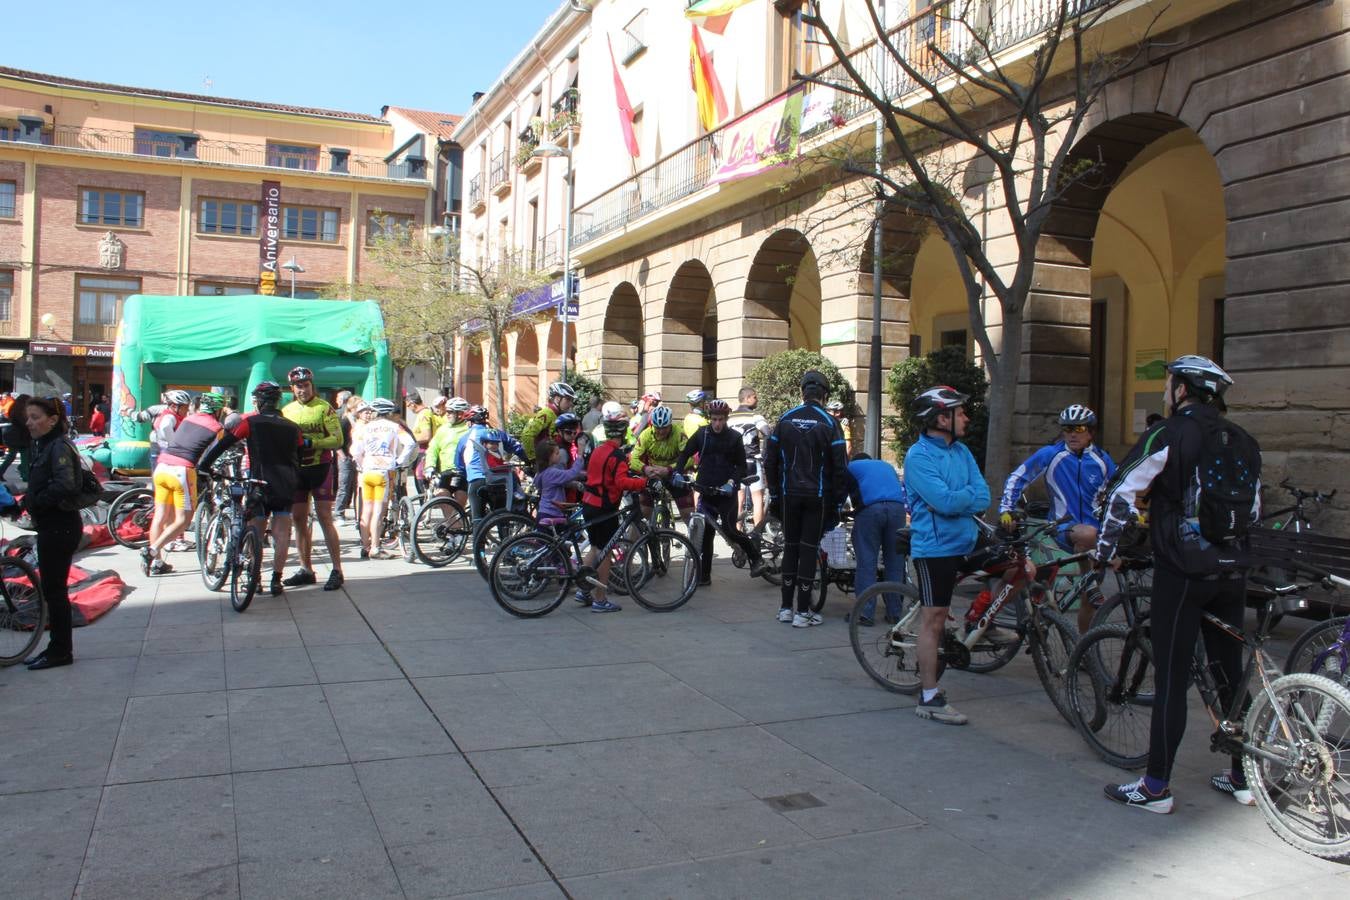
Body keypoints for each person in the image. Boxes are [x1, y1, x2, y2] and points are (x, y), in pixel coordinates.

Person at [1099, 355, 1259, 814]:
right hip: (1232, 571)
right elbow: (1250, 511)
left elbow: (1120, 491)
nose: (1168, 391)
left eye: (1170, 384)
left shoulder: (1169, 433)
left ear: (1183, 390)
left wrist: (1105, 552)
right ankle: (1242, 778)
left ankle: (1155, 788)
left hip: (1182, 571)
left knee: (1170, 676)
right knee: (1229, 671)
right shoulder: (1245, 440)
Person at [904, 385, 991, 725]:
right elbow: (944, 502)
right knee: (934, 618)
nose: (966, 418)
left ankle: (985, 623)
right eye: (960, 412)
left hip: (967, 541)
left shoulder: (963, 451)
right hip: (935, 548)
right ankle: (929, 697)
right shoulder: (919, 456)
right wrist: (963, 498)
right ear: (942, 418)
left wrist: (962, 497)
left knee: (1014, 567)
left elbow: (983, 496)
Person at [999, 404, 1116, 632]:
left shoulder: (1102, 460)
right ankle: (1089, 583)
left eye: (1079, 428)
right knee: (1087, 535)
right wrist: (1006, 509)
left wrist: (1132, 514)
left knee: (1088, 603)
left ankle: (1084, 649)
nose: (1072, 434)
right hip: (1063, 528)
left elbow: (1119, 491)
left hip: (1094, 537)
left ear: (1090, 432)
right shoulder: (1051, 455)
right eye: (1067, 428)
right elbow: (1017, 478)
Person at [199, 382, 304, 597]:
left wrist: (204, 466)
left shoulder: (251, 423)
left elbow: (225, 443)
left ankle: (254, 577)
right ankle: (277, 579)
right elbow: (300, 454)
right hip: (286, 484)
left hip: (259, 482)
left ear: (259, 401)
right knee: (282, 531)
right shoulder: (293, 427)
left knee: (255, 527)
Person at [763, 371, 849, 627]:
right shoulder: (830, 423)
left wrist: (776, 494)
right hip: (817, 496)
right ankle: (803, 611)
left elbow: (770, 461)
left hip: (789, 495)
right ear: (824, 395)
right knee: (808, 550)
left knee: (790, 547)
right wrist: (837, 502)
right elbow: (840, 467)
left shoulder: (785, 419)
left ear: (802, 392)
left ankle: (785, 608)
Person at [18, 397, 86, 670]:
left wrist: (36, 500)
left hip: (61, 526)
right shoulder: (45, 445)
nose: (29, 423)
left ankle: (60, 650)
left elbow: (66, 485)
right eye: (28, 417)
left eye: (35, 417)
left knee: (55, 591)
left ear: (53, 420)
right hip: (52, 525)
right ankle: (56, 648)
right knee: (52, 589)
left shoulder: (57, 446)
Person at [674, 399, 767, 586]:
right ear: (710, 418)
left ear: (726, 419)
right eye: (714, 419)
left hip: (726, 491)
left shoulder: (733, 437)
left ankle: (756, 559)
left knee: (730, 529)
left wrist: (731, 482)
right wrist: (677, 471)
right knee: (706, 534)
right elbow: (685, 454)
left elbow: (741, 466)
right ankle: (704, 576)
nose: (717, 423)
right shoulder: (702, 434)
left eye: (721, 420)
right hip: (705, 488)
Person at [142, 392, 227, 575]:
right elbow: (211, 455)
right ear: (217, 409)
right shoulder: (217, 427)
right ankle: (152, 550)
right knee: (183, 520)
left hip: (162, 467)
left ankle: (157, 563)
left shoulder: (189, 418)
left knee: (160, 516)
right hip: (182, 471)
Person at [280, 366, 345, 592]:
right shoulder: (286, 411)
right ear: (292, 388)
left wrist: (311, 443)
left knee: (325, 516)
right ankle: (305, 569)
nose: (303, 390)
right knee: (298, 518)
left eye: (306, 386)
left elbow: (338, 439)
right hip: (297, 470)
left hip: (321, 468)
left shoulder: (324, 408)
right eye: (298, 387)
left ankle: (337, 569)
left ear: (312, 385)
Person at [578, 406, 648, 612]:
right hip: (604, 509)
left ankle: (583, 589)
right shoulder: (616, 455)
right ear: (622, 432)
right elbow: (621, 482)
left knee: (595, 548)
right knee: (606, 554)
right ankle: (600, 600)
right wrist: (644, 483)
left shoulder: (599, 449)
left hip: (589, 503)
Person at [845, 452, 909, 626]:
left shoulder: (850, 467)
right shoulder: (886, 465)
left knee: (867, 562)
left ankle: (865, 614)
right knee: (895, 564)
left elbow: (840, 494)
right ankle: (894, 614)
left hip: (871, 510)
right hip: (897, 510)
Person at [351, 397, 418, 560]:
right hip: (385, 471)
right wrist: (399, 461)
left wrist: (361, 464)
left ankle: (365, 546)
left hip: (367, 471)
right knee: (379, 512)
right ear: (387, 412)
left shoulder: (365, 428)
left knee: (366, 510)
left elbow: (355, 451)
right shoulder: (395, 427)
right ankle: (375, 547)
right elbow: (410, 443)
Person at [456, 407, 525, 520]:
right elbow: (517, 447)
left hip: (475, 480)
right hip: (497, 480)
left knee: (477, 519)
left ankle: (478, 535)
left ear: (469, 422)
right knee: (501, 518)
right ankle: (506, 536)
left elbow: (459, 464)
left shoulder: (464, 438)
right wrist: (529, 460)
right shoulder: (496, 434)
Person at [629, 405, 694, 526]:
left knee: (688, 515)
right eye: (657, 428)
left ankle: (695, 544)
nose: (661, 431)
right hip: (653, 474)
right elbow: (633, 460)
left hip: (675, 473)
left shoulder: (679, 433)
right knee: (643, 513)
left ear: (670, 424)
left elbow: (690, 459)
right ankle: (636, 542)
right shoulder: (646, 435)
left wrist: (668, 469)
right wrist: (645, 468)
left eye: (664, 427)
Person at [727, 387, 771, 527]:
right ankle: (757, 534)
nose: (756, 400)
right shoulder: (755, 416)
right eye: (755, 397)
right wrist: (764, 454)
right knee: (757, 498)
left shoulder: (729, 418)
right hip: (753, 460)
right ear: (747, 398)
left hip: (735, 463)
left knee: (738, 499)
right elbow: (768, 433)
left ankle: (737, 534)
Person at [425, 398, 472, 505]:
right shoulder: (443, 429)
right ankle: (455, 522)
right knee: (441, 495)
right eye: (447, 411)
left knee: (460, 499)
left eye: (451, 412)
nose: (447, 415)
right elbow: (433, 448)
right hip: (445, 472)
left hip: (463, 471)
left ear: (460, 413)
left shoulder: (470, 429)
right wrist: (430, 466)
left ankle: (457, 520)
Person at [533, 438, 587, 530]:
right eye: (557, 453)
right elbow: (572, 473)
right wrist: (580, 454)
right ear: (548, 457)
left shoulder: (542, 472)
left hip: (543, 512)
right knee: (574, 530)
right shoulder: (552, 473)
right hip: (552, 514)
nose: (559, 455)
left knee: (548, 543)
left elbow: (562, 480)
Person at [520, 382, 576, 466]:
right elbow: (527, 435)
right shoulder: (546, 413)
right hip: (544, 463)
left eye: (571, 400)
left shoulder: (557, 414)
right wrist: (533, 459)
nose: (571, 403)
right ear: (557, 399)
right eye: (568, 399)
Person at [333, 392, 361, 522]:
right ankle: (339, 513)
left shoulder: (359, 422)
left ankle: (358, 515)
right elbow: (337, 440)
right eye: (358, 408)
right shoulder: (344, 420)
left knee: (357, 488)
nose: (360, 411)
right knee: (344, 486)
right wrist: (342, 456)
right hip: (347, 457)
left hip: (358, 457)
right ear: (351, 408)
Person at [149, 390, 191, 473]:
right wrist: (174, 445)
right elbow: (165, 426)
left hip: (161, 449)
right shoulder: (170, 417)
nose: (187, 410)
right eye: (185, 407)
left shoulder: (174, 416)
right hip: (162, 451)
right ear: (174, 406)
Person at [0, 393, 31, 480]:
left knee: (13, 455)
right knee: (24, 455)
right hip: (19, 436)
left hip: (13, 435)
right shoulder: (21, 411)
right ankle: (25, 474)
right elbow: (23, 423)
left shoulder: (14, 408)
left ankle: (24, 473)